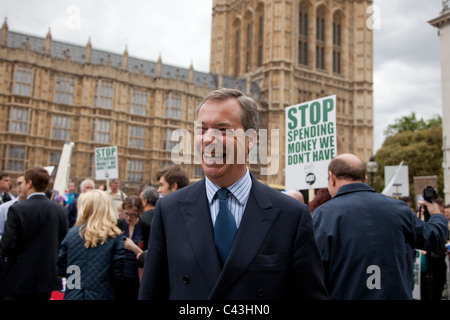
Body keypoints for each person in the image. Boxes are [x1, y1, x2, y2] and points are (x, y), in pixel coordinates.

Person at [139, 88, 328, 300]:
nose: (209, 139)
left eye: (222, 130)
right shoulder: (169, 209)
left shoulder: (291, 215)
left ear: (250, 140)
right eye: (202, 129)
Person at [312, 153, 449, 300]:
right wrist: (437, 215)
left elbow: (315, 271)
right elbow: (433, 238)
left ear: (331, 178)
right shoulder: (398, 208)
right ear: (365, 179)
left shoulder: (323, 215)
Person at [0, 167, 68, 299]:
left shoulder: (17, 209)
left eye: (23, 183)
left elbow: (7, 246)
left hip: (19, 277)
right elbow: (62, 243)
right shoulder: (60, 210)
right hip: (48, 277)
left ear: (29, 184)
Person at [56, 189, 125, 300]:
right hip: (103, 294)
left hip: (74, 295)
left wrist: (77, 283)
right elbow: (118, 274)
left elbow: (61, 268)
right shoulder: (114, 236)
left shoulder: (72, 234)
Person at [117, 195, 150, 300]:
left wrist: (134, 248)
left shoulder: (146, 228)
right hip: (119, 274)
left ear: (139, 213)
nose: (128, 218)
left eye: (133, 215)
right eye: (126, 213)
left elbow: (148, 256)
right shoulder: (119, 224)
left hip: (137, 276)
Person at [0, 174, 26, 238]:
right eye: (18, 184)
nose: (20, 187)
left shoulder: (38, 209)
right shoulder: (4, 208)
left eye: (23, 184)